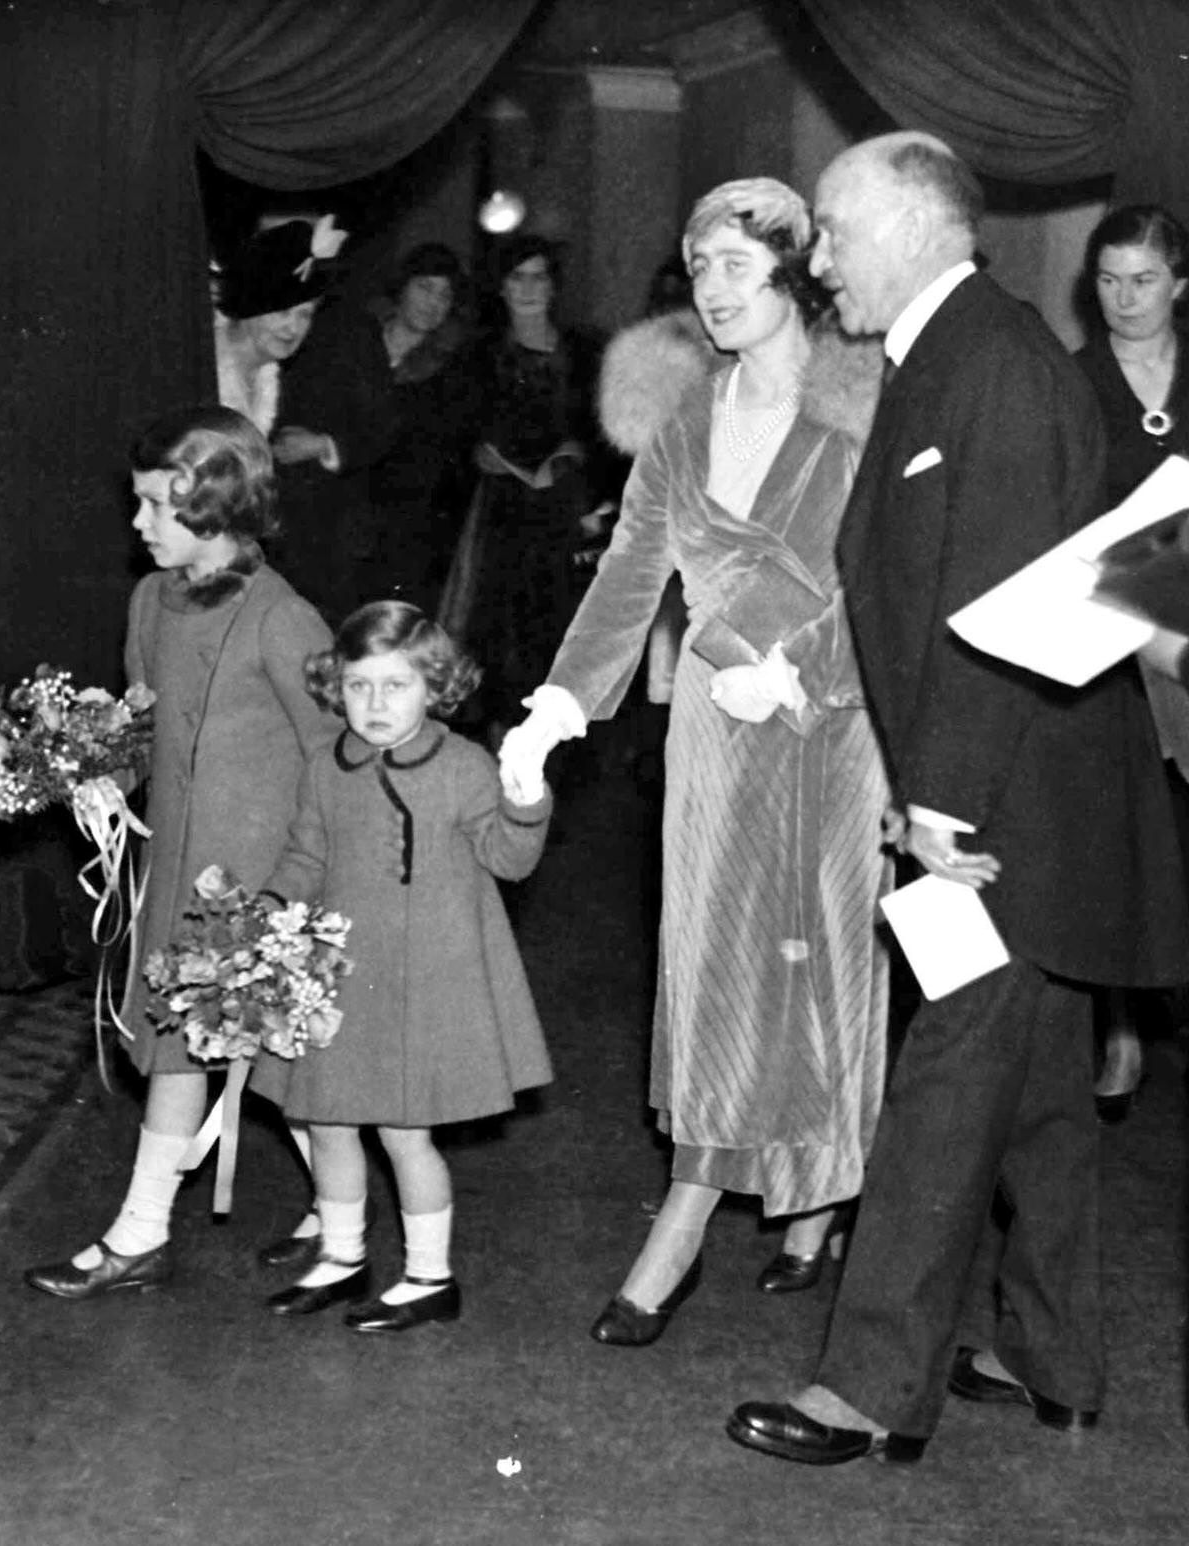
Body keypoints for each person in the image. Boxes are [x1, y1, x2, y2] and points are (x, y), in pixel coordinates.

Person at [726, 132, 1189, 1467]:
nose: (820, 260)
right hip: (1016, 793)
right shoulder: (952, 358)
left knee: (944, 1082)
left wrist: (941, 808)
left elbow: (990, 619)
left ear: (922, 225)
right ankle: (1057, 1360)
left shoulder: (992, 364)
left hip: (1008, 807)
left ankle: (869, 1388)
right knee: (1040, 1088)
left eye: (833, 230)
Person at [499, 177, 890, 1342]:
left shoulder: (864, 412)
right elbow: (628, 575)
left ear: (793, 274)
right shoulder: (682, 419)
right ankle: (694, 1208)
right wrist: (555, 709)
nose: (711, 290)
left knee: (816, 964)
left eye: (735, 265)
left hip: (829, 722)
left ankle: (816, 1186)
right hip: (718, 728)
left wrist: (806, 670)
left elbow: (895, 579)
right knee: (717, 965)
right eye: (698, 267)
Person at [23, 405, 336, 1299]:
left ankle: (340, 1221)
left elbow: (335, 760)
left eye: (157, 506)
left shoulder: (285, 620)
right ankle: (141, 1232)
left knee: (284, 1062)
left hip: (261, 886)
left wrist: (299, 891)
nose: (137, 523)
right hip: (180, 877)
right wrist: (98, 776)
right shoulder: (149, 600)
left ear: (219, 507)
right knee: (172, 1044)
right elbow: (144, 720)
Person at [248, 601, 553, 1332]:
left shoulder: (463, 766)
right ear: (336, 688)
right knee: (325, 1120)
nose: (376, 704)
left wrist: (525, 801)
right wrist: (263, 908)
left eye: (396, 686)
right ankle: (344, 1257)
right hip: (342, 976)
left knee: (404, 1134)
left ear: (435, 687)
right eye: (358, 687)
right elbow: (307, 854)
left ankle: (428, 1275)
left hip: (426, 981)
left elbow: (511, 862)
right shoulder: (328, 766)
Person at [1075, 203, 1189, 1122]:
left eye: (1143, 279)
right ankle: (1116, 1019)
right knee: (1120, 830)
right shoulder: (1074, 382)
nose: (1125, 298)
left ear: (1180, 283)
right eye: (1108, 279)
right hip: (1116, 632)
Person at [442, 233, 615, 739]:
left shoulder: (585, 352)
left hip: (565, 511)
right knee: (496, 635)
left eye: (540, 276)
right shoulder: (478, 355)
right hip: (498, 512)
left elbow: (603, 430)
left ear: (555, 286)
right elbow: (458, 430)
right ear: (500, 286)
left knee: (557, 631)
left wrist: (583, 477)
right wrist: (481, 455)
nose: (529, 287)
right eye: (518, 276)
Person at [214, 217, 398, 622]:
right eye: (282, 311)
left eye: (305, 314)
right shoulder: (201, 369)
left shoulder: (268, 377)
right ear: (250, 305)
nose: (293, 327)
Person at [366, 243, 478, 611]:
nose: (434, 302)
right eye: (425, 288)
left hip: (408, 528)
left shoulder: (450, 369)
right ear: (402, 287)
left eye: (445, 294)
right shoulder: (357, 345)